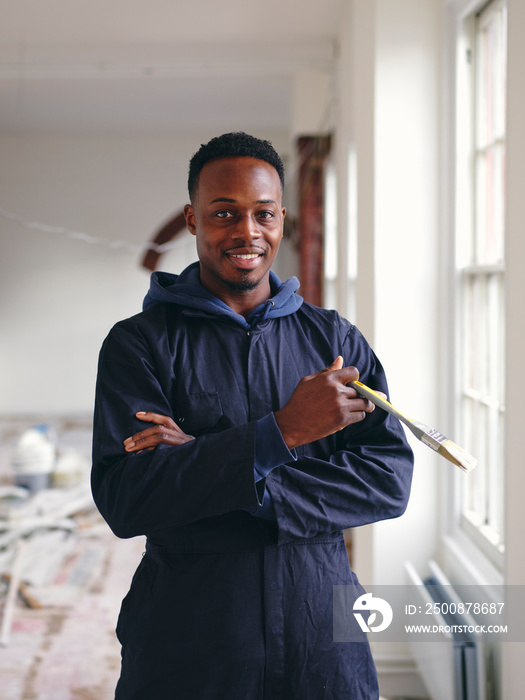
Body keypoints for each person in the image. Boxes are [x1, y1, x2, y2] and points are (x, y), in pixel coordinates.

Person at [91, 132, 414, 700]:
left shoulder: (334, 340)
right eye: (224, 213)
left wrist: (214, 468)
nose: (247, 232)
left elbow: (387, 483)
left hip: (323, 633)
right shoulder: (138, 345)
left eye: (263, 213)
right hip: (190, 637)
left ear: (282, 218)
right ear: (193, 219)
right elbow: (128, 500)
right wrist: (283, 433)